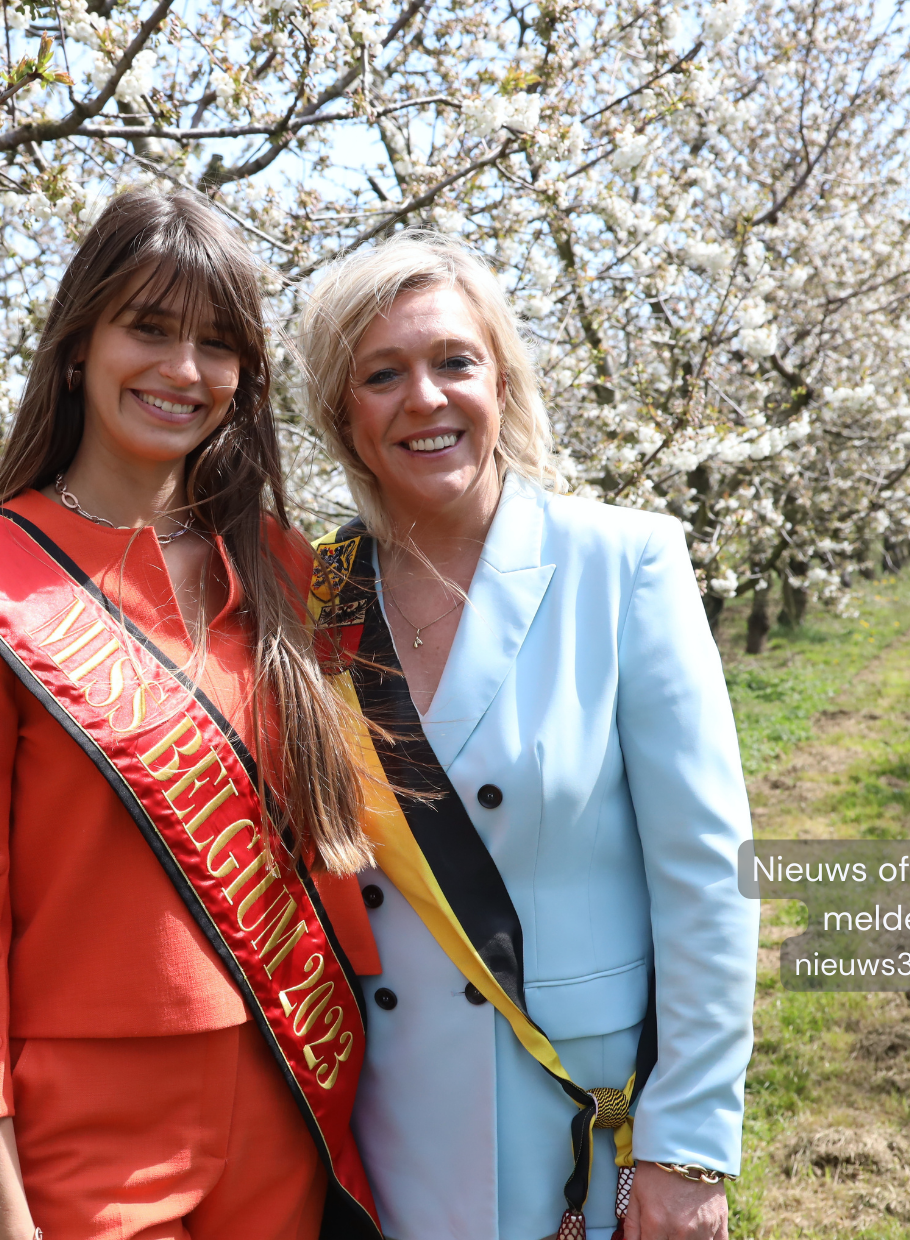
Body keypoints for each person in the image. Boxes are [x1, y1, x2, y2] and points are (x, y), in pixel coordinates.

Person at [0, 188, 384, 1240]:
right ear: (77, 343)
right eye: (147, 328)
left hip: (289, 1072)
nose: (182, 371)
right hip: (87, 1117)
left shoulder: (281, 569)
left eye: (217, 343)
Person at [296, 233, 758, 1240]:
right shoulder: (311, 596)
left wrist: (686, 1146)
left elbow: (707, 875)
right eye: (381, 375)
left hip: (574, 1121)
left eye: (452, 361)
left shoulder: (620, 564)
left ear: (499, 380)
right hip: (381, 1129)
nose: (423, 398)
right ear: (343, 414)